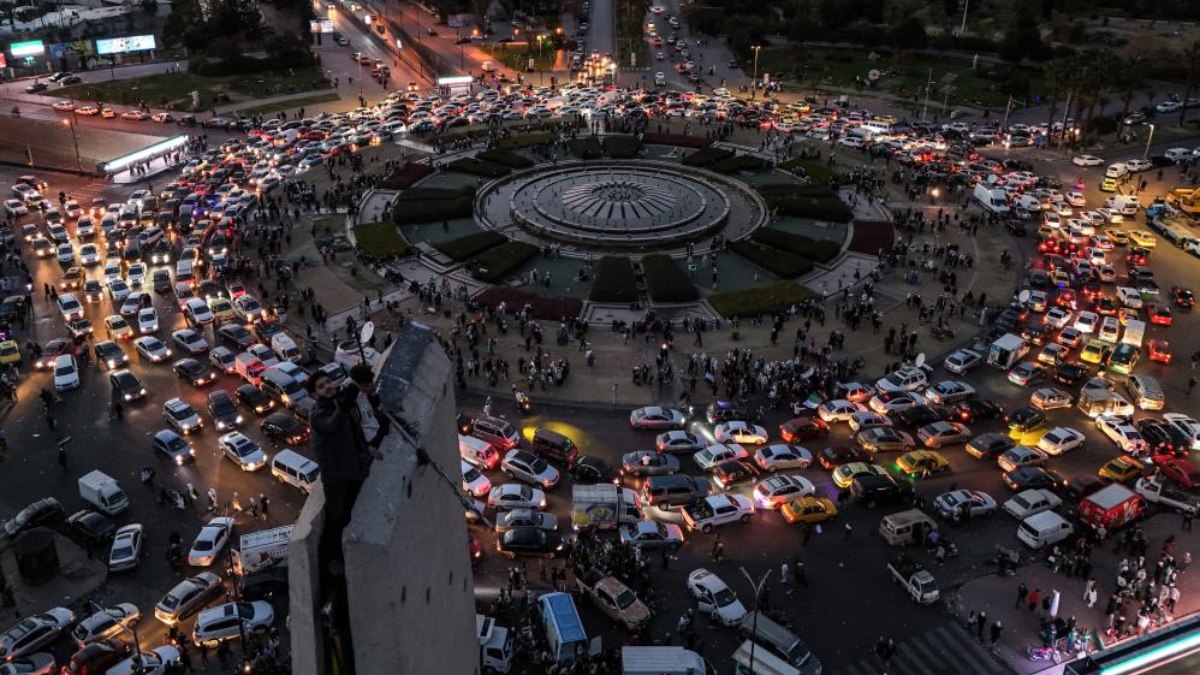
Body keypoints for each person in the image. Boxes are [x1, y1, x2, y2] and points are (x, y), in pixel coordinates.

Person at [310, 369, 379, 578]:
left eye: (328, 382)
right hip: (336, 477)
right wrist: (345, 404)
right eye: (321, 386)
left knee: (349, 513)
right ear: (315, 395)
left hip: (352, 470)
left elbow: (355, 429)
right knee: (337, 519)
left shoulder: (339, 402)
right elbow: (333, 425)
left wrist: (366, 449)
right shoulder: (317, 414)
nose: (328, 386)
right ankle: (332, 561)